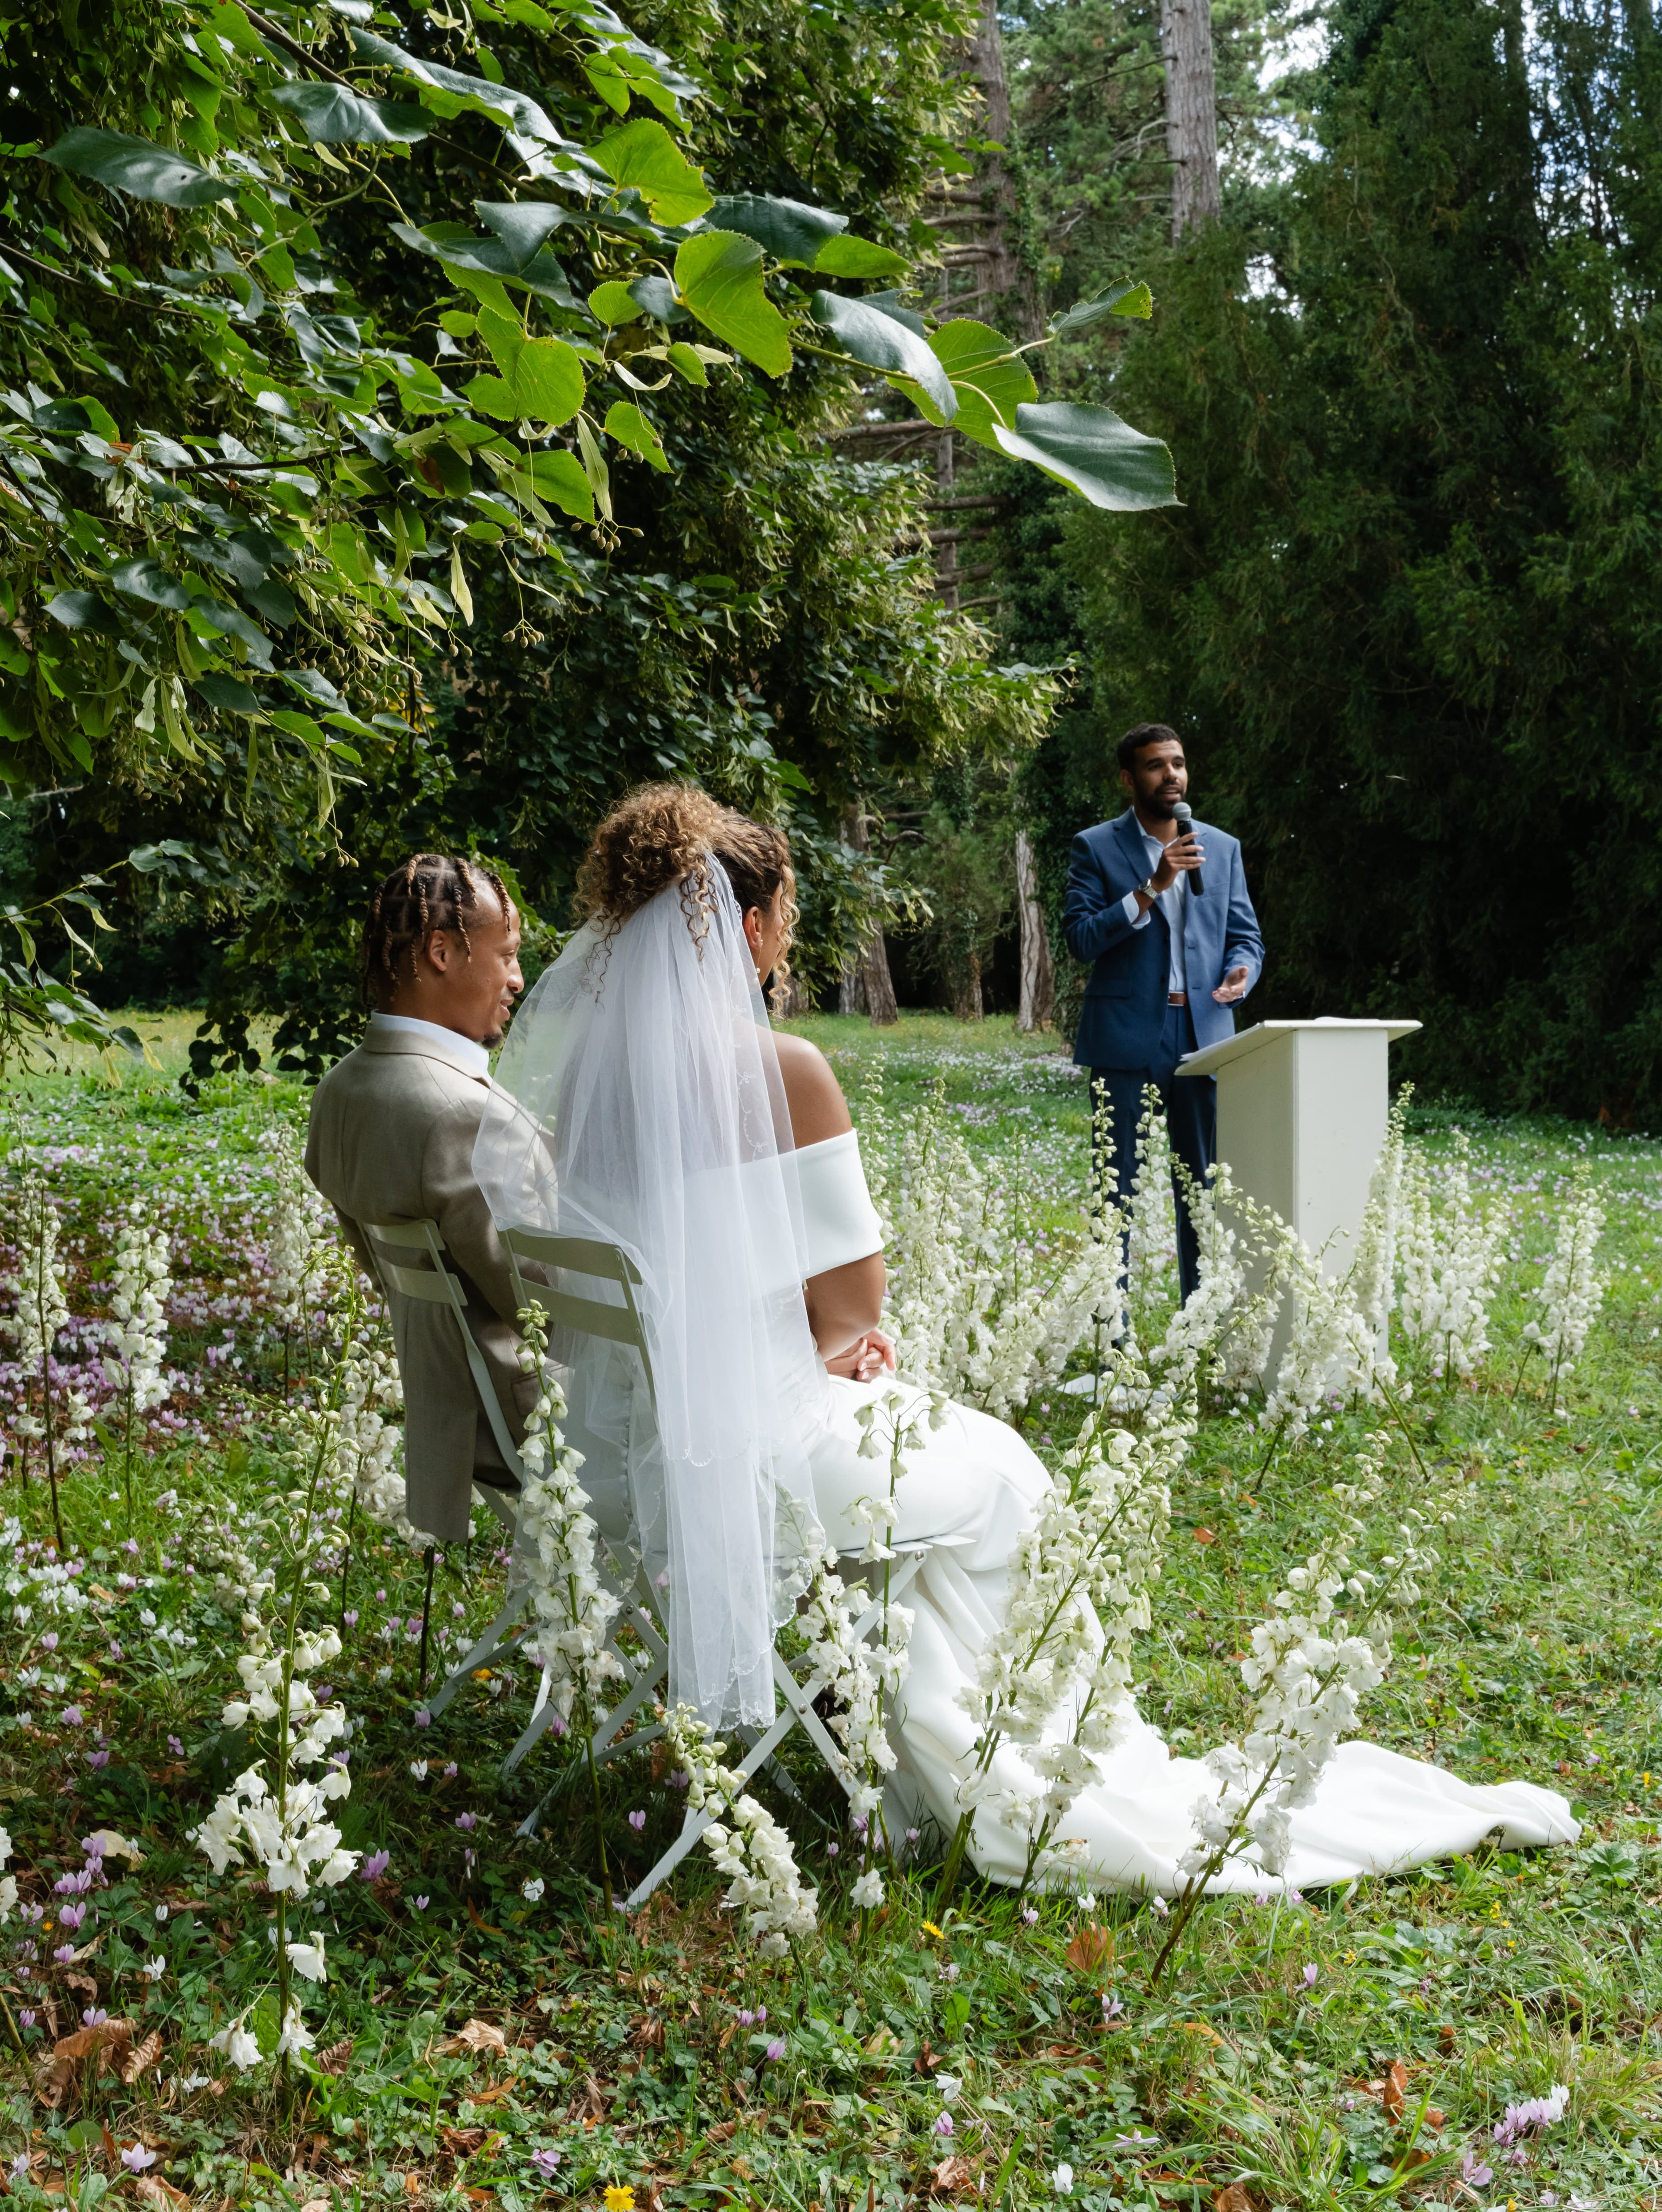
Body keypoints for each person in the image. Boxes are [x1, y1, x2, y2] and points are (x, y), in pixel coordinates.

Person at [473, 784, 1575, 1891]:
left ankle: (921, 1757)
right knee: (1001, 1470)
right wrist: (842, 1347)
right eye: (785, 922)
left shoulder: (585, 1082)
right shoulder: (788, 1072)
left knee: (944, 1478)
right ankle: (1023, 1772)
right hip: (767, 1457)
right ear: (747, 927)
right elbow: (854, 1313)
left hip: (636, 1464)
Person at [305, 852, 533, 1544]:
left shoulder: (341, 1093)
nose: (517, 979)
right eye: (507, 955)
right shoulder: (455, 1113)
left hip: (451, 1409)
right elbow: (553, 1301)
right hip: (538, 1419)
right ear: (441, 951)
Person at [1064, 723, 1265, 1298]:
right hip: (1125, 1033)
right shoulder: (1095, 847)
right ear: (1129, 779)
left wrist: (1242, 971)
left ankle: (1199, 1328)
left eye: (1177, 763)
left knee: (1203, 1187)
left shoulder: (1221, 848)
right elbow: (1080, 939)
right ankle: (1111, 1332)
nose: (1171, 773)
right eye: (1156, 765)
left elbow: (1246, 937)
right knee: (1116, 1185)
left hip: (1203, 1032)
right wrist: (1152, 886)